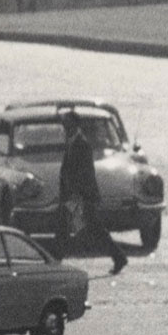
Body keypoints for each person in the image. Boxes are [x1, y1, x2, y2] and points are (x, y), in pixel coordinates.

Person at [57, 109, 126, 274]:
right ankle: (56, 261)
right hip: (72, 195)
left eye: (67, 123)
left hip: (81, 196)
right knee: (62, 228)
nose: (64, 126)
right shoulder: (72, 141)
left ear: (74, 124)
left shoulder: (82, 144)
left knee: (94, 229)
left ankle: (119, 257)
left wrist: (77, 195)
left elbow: (85, 173)